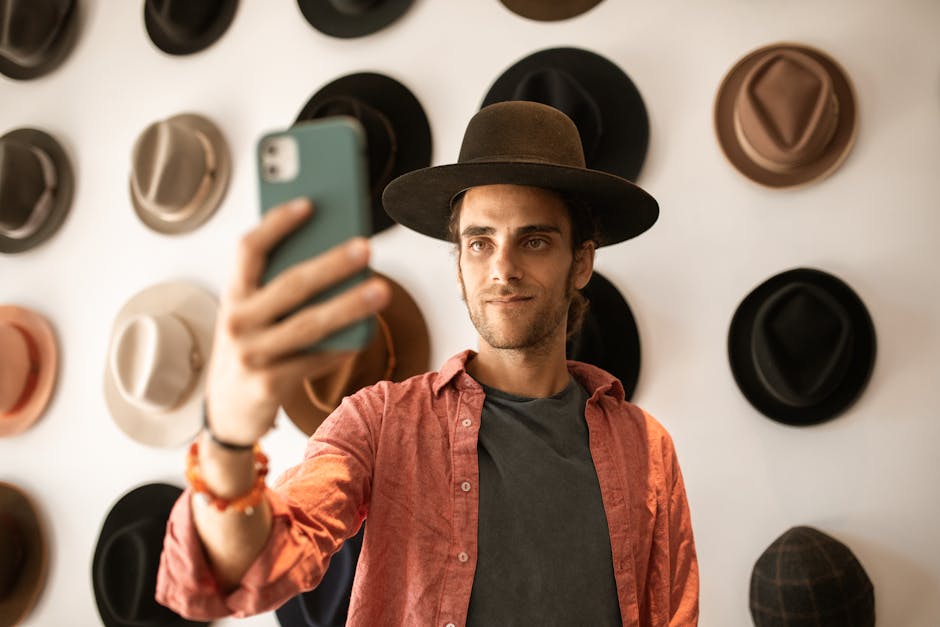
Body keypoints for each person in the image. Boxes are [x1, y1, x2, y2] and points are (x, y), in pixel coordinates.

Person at [156, 101, 699, 625]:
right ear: (459, 265)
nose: (502, 269)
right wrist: (227, 438)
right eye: (480, 243)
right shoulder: (380, 422)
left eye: (533, 240)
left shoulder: (646, 449)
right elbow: (246, 567)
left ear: (580, 262)